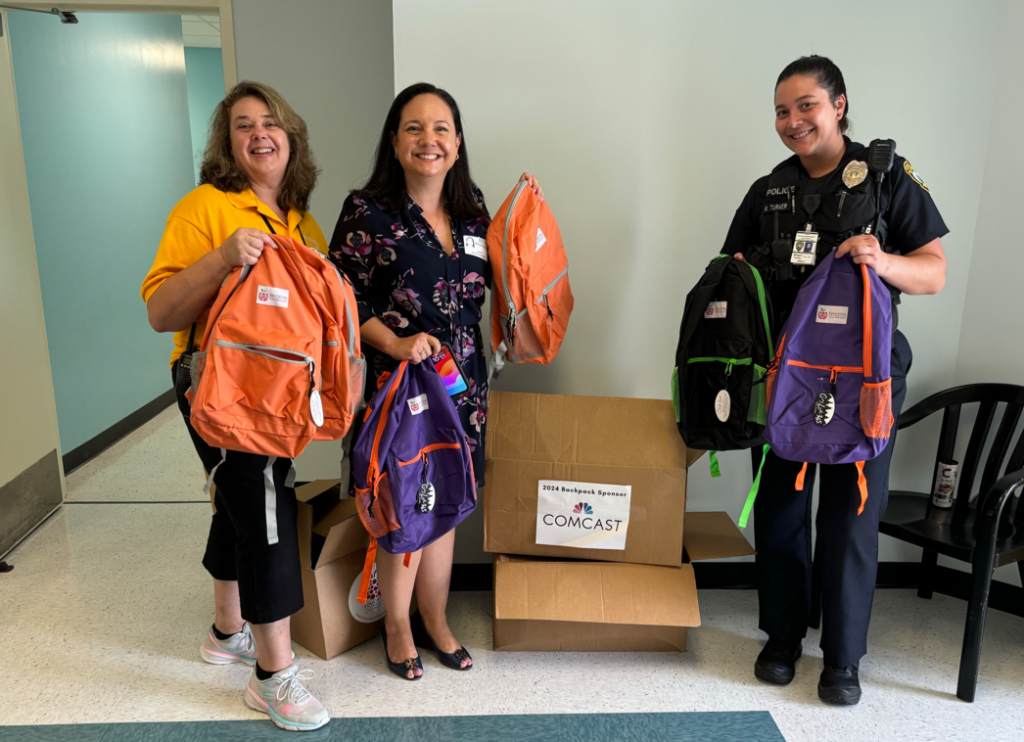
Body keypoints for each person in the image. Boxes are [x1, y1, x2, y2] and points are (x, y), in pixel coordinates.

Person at [722, 56, 947, 705]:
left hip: (864, 376)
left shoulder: (884, 179)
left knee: (852, 513)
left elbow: (932, 271)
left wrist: (883, 258)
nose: (792, 122)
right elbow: (731, 267)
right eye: (782, 111)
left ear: (839, 105)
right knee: (782, 506)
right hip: (785, 373)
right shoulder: (769, 190)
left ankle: (843, 659)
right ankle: (784, 638)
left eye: (806, 106)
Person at [329, 82, 542, 680]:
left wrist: (528, 222)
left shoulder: (473, 208)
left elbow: (509, 282)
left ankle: (437, 620)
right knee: (405, 505)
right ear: (395, 142)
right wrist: (396, 342)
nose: (429, 139)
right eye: (415, 128)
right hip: (402, 388)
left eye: (441, 128)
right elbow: (340, 302)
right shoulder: (367, 212)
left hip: (464, 386)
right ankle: (397, 628)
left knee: (447, 503)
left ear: (457, 141)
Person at [141, 81, 331, 731]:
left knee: (243, 496)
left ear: (291, 136)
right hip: (215, 383)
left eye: (271, 122)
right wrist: (223, 259)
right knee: (269, 504)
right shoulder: (206, 208)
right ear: (228, 143)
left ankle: (227, 632)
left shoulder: (302, 221)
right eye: (243, 125)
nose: (259, 133)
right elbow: (160, 311)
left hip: (276, 391)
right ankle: (273, 677)